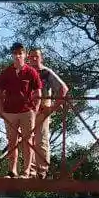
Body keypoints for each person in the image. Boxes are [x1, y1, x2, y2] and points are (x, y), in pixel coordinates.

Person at [0, 42, 42, 177]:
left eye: (20, 53)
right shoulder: (6, 73)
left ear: (25, 55)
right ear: (12, 55)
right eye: (15, 53)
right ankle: (12, 171)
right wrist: (1, 111)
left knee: (28, 141)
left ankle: (26, 171)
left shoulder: (31, 72)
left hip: (27, 112)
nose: (17, 56)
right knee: (12, 142)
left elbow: (38, 93)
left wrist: (35, 111)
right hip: (9, 112)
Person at [27, 46, 69, 178]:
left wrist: (52, 107)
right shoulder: (25, 72)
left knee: (41, 140)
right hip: (27, 110)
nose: (34, 58)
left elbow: (63, 89)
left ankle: (42, 171)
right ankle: (30, 171)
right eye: (31, 56)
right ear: (28, 58)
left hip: (42, 109)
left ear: (41, 58)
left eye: (37, 56)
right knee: (27, 141)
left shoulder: (46, 72)